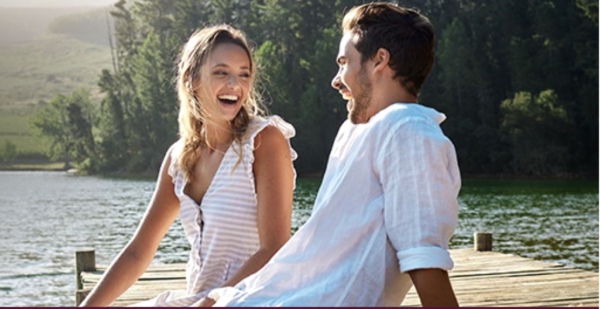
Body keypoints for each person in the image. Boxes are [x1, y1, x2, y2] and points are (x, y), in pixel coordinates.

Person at [202, 2, 461, 307]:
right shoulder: (356, 131)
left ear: (380, 60)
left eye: (344, 63)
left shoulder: (408, 132)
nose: (336, 80)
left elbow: (424, 257)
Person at [78, 25, 297, 307]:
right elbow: (138, 252)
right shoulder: (179, 159)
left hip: (254, 299)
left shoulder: (264, 140)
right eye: (221, 72)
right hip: (198, 300)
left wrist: (207, 305)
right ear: (192, 79)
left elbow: (273, 248)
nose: (235, 84)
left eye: (244, 74)